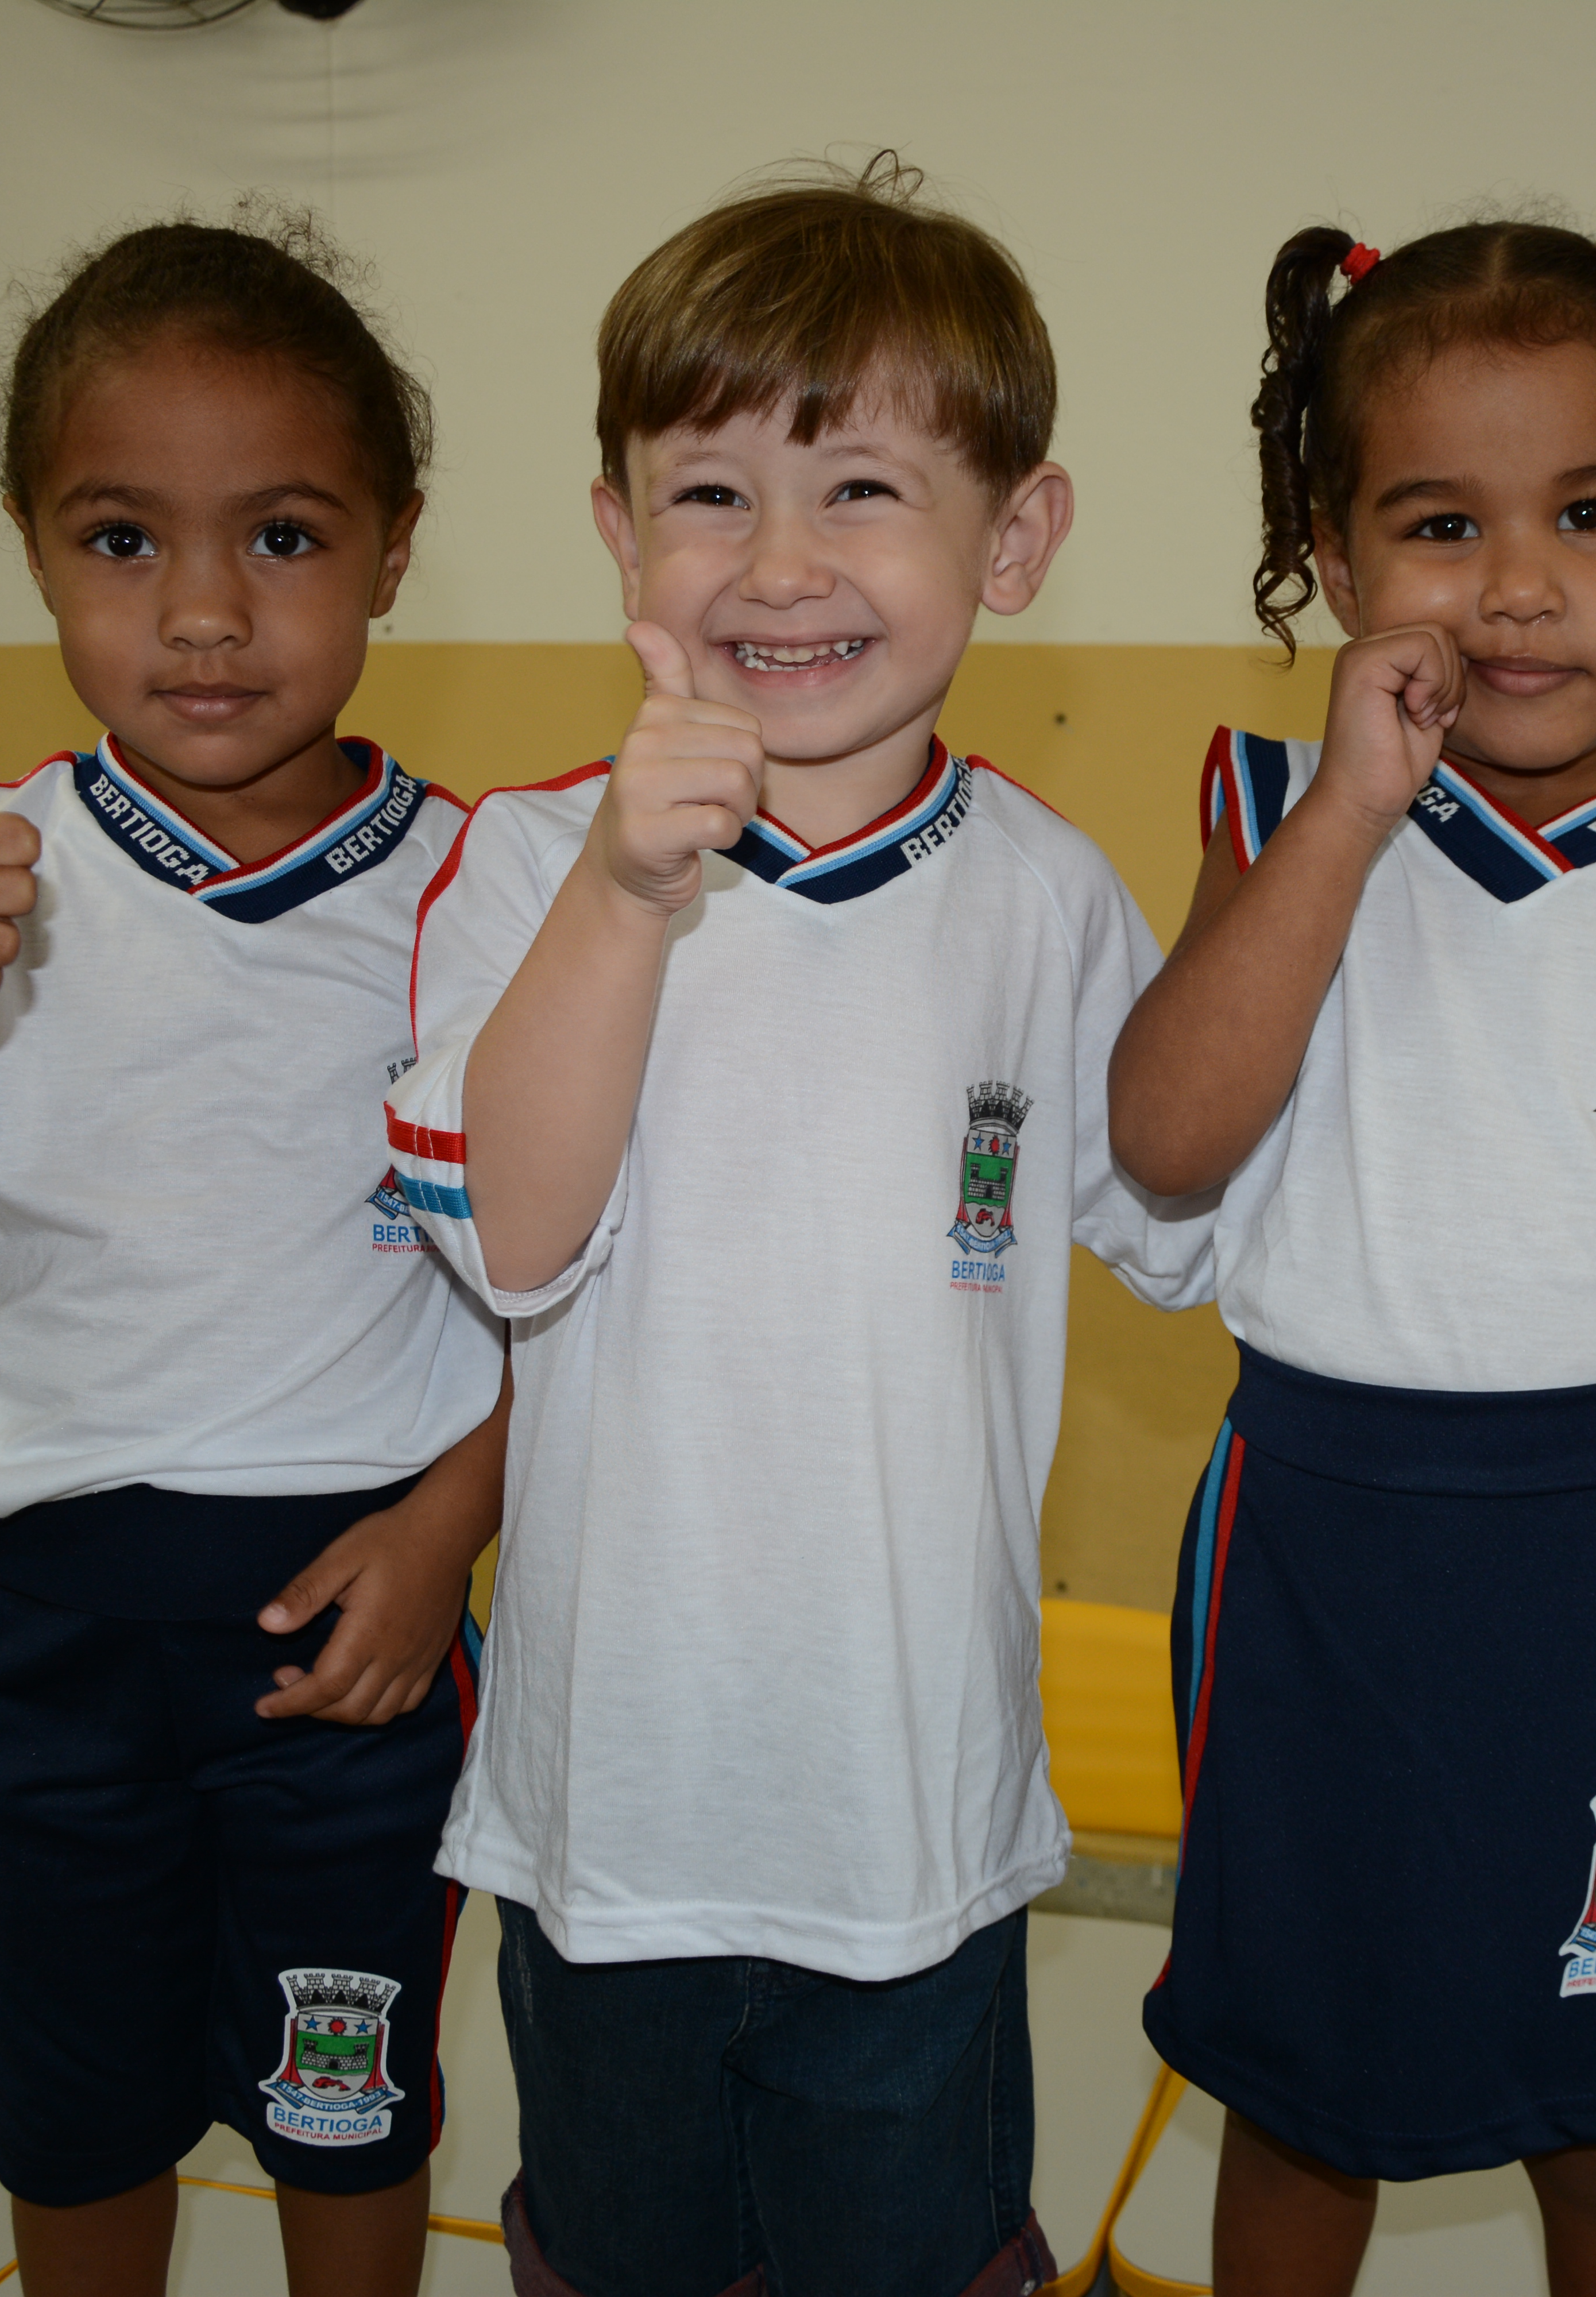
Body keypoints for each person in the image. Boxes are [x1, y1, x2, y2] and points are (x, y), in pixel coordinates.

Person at [376, 157, 1209, 2297]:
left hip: (913, 1819)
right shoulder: (522, 862)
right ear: (615, 532)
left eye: (860, 489)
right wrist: (629, 902)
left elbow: (1187, 1208)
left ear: (1012, 539)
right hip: (608, 1817)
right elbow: (519, 1246)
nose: (780, 562)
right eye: (711, 490)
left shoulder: (1048, 897)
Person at [1109, 208, 1596, 2297]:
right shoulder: (1284, 803)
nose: (1521, 583)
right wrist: (1349, 820)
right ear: (1336, 550)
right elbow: (1167, 1140)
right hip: (1321, 1546)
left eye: (1590, 509)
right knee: (1301, 2105)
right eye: (1441, 522)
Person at [0, 214, 508, 2297]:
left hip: (357, 1637)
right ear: (32, 544)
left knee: (356, 2122)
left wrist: (450, 1528)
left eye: (285, 536)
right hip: (52, 1642)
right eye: (124, 541)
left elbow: (586, 1284)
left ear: (397, 546)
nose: (208, 616)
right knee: (75, 2124)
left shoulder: (487, 892)